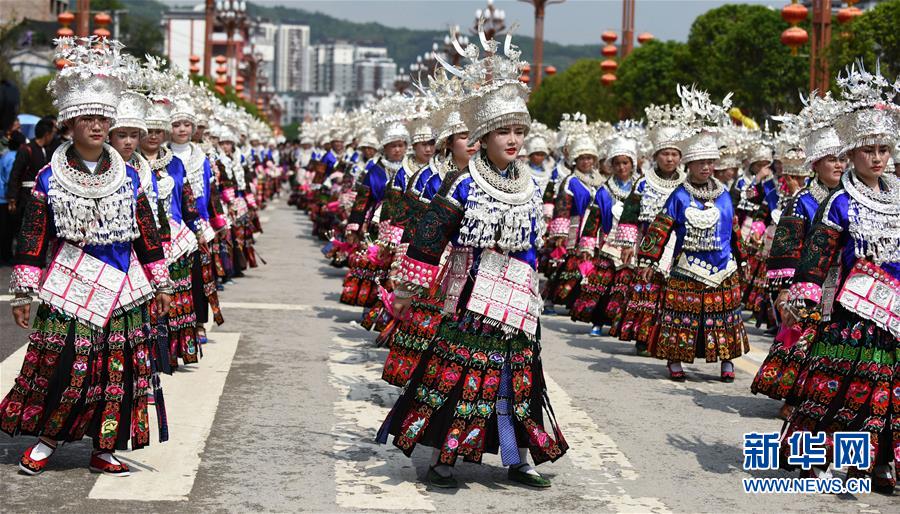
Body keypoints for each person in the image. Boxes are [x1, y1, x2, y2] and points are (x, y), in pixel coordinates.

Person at [378, 29, 567, 489]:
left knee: (517, 379)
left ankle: (517, 455)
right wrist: (405, 291)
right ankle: (447, 454)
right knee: (459, 375)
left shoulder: (530, 184)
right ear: (482, 137)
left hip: (518, 299)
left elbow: (530, 245)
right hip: (470, 297)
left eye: (520, 131)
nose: (515, 140)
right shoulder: (463, 184)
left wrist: (533, 292)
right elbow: (428, 238)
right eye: (505, 131)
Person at [0, 36, 172, 477]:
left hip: (124, 287)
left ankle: (105, 444)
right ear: (69, 124)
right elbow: (33, 236)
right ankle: (48, 439)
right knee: (64, 365)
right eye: (87, 119)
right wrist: (23, 290)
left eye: (102, 118)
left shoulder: (130, 176)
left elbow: (147, 234)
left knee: (119, 371)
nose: (96, 126)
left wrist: (161, 281)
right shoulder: (48, 177)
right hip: (69, 285)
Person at [778, 64, 898, 493]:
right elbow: (816, 257)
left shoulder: (898, 197)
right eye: (869, 150)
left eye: (884, 148)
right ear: (850, 154)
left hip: (895, 316)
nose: (878, 157)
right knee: (841, 389)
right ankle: (819, 459)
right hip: (851, 315)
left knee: (887, 391)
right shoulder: (840, 202)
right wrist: (801, 296)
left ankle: (880, 461)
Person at [636, 85, 749, 382]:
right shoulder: (679, 196)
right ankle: (675, 359)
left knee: (725, 317)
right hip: (687, 266)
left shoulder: (724, 195)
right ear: (689, 163)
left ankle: (727, 360)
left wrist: (743, 260)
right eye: (700, 163)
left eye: (710, 162)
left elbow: (733, 231)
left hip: (723, 267)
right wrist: (648, 260)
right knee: (680, 317)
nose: (706, 167)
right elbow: (660, 227)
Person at [750, 92, 846, 419]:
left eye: (842, 158)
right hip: (808, 285)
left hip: (844, 285)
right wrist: (784, 293)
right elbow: (786, 251)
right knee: (805, 341)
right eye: (831, 158)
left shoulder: (851, 199)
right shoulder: (802, 201)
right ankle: (794, 397)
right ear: (816, 163)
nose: (838, 165)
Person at [616, 105, 686, 354]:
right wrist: (626, 244)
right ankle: (644, 336)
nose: (669, 159)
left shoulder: (687, 184)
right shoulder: (643, 182)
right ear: (656, 155)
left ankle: (666, 340)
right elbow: (630, 214)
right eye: (665, 153)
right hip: (649, 243)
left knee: (673, 292)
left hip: (679, 245)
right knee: (649, 287)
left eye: (674, 154)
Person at [6, 117, 55, 236]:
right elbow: (15, 173)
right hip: (26, 197)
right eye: (52, 134)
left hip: (43, 197)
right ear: (47, 134)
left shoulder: (46, 150)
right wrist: (12, 198)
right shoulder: (27, 149)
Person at [0, 130, 25, 263]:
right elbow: (12, 179)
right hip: (5, 197)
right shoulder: (15, 157)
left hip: (2, 195)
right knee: (8, 230)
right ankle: (7, 256)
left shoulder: (6, 155)